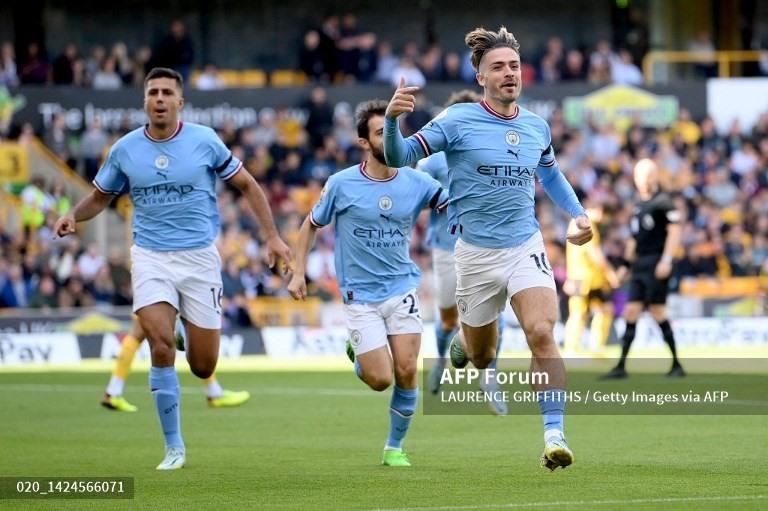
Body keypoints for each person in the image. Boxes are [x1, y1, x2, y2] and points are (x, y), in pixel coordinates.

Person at [54, 67, 293, 471]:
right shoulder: (126, 149)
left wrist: (271, 237)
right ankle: (174, 447)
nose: (159, 98)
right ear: (144, 101)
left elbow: (249, 185)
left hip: (199, 259)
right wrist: (74, 216)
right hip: (150, 257)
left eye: (167, 92)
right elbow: (100, 195)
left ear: (180, 101)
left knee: (203, 365)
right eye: (153, 93)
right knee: (159, 345)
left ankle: (184, 330)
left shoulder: (204, 140)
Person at [383, 27, 592, 471]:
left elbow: (550, 176)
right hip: (475, 254)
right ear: (480, 76)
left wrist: (579, 215)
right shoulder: (455, 121)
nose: (508, 73)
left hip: (524, 246)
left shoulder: (536, 126)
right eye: (498, 67)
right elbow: (400, 157)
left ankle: (554, 434)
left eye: (514, 66)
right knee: (479, 355)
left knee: (541, 332)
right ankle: (464, 337)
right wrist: (390, 122)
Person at [288, 99, 448, 468]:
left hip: (402, 288)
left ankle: (394, 447)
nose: (391, 138)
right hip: (360, 296)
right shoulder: (342, 184)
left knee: (408, 371)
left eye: (395, 130)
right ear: (363, 142)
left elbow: (451, 203)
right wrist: (298, 272)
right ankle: (359, 357)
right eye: (381, 132)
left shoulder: (418, 181)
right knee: (380, 379)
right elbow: (310, 224)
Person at [418, 88, 507, 416]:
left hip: (485, 246)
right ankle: (441, 359)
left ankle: (489, 377)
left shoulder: (491, 151)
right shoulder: (433, 160)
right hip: (445, 247)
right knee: (447, 319)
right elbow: (418, 194)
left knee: (497, 314)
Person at [603, 159, 685, 378]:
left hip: (657, 262)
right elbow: (633, 239)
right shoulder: (638, 204)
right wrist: (626, 266)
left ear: (655, 176)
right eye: (640, 176)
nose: (643, 180)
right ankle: (621, 367)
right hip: (640, 266)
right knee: (631, 312)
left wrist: (666, 260)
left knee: (658, 312)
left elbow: (675, 232)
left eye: (647, 175)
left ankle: (677, 364)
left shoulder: (664, 202)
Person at [101, 315, 250, 412]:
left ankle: (113, 391)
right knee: (192, 320)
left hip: (148, 275)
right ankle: (214, 393)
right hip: (165, 274)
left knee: (137, 333)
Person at [563, 198, 619, 357]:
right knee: (580, 313)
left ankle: (586, 348)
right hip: (586, 277)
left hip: (580, 276)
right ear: (600, 211)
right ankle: (575, 348)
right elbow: (595, 254)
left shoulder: (575, 222)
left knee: (602, 310)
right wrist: (610, 273)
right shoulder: (587, 224)